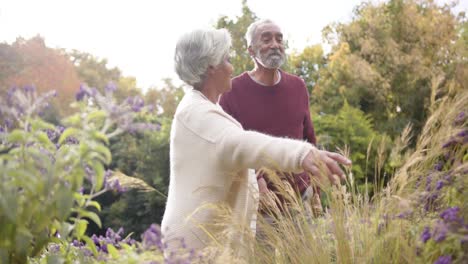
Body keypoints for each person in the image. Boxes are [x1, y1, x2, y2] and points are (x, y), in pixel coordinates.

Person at [161, 28, 351, 258]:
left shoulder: (202, 107)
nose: (232, 67)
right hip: (196, 244)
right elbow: (242, 144)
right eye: (227, 60)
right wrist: (302, 155)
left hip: (208, 237)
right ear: (211, 67)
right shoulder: (197, 114)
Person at [219, 19, 321, 218]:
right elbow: (227, 148)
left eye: (279, 39)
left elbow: (310, 140)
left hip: (300, 199)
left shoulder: (298, 86)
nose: (275, 44)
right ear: (250, 50)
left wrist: (316, 189)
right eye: (266, 40)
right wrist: (256, 182)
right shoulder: (232, 91)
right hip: (258, 205)